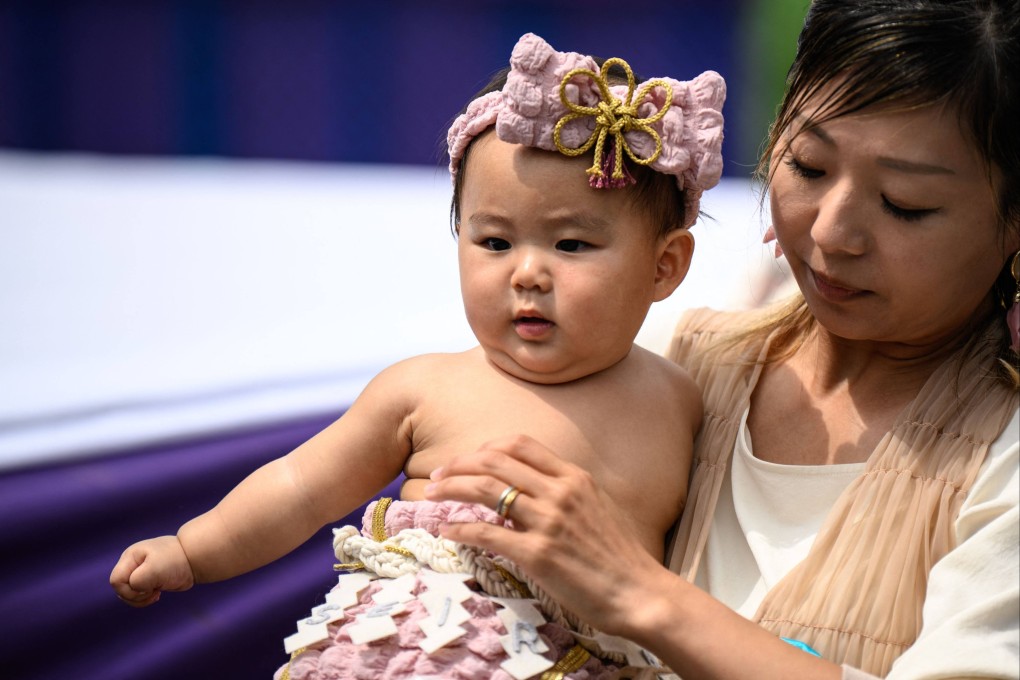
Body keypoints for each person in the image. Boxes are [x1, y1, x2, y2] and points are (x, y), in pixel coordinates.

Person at [425, 1, 1020, 679]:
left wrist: (638, 592)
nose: (830, 233)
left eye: (905, 204)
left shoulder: (1006, 451)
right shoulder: (659, 355)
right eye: (810, 167)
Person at [110, 33, 726, 677]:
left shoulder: (684, 397)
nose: (527, 274)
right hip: (421, 648)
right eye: (493, 242)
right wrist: (190, 550)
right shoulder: (428, 388)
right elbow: (300, 487)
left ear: (664, 266)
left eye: (571, 245)